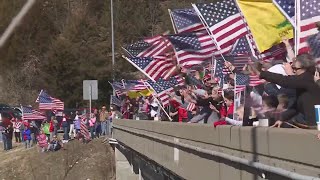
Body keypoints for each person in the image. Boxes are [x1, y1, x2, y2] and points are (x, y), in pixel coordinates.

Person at [254, 54, 320, 128]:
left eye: (295, 68)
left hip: (314, 126)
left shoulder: (307, 78)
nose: (293, 71)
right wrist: (282, 119)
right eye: (292, 68)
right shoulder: (304, 83)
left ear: (304, 68)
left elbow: (285, 80)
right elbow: (296, 107)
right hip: (308, 124)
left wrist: (262, 74)